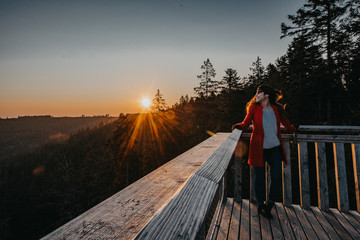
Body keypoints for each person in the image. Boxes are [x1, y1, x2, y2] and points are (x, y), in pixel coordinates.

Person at [232, 84, 296, 218]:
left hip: (275, 149)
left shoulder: (276, 109)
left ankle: (270, 203)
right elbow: (246, 122)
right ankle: (260, 205)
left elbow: (286, 124)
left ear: (266, 95)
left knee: (277, 177)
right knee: (259, 179)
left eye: (259, 93)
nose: (256, 96)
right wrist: (239, 126)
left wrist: (294, 129)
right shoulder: (254, 108)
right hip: (259, 149)